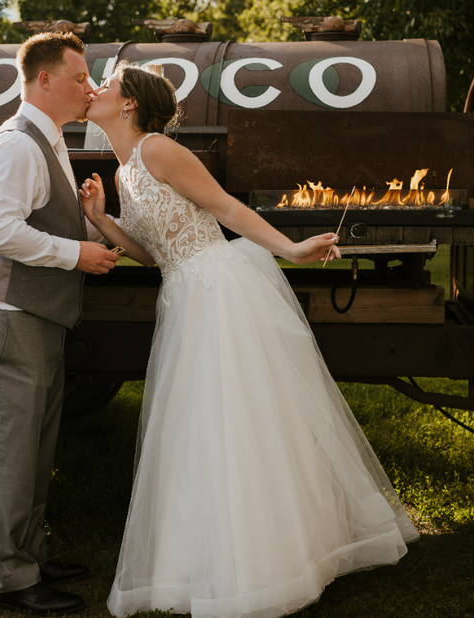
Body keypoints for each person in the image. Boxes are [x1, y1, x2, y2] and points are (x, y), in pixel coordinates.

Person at [79, 62, 420, 618]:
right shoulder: (122, 174)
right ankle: (205, 558)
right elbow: (151, 253)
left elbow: (226, 208)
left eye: (107, 85)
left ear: (129, 104)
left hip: (217, 288)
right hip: (181, 291)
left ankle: (271, 559)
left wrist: (290, 249)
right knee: (196, 427)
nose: (95, 90)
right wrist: (102, 221)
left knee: (239, 420)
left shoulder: (160, 151)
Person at [0, 32, 121, 616]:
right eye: (80, 78)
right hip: (5, 319)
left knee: (32, 448)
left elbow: (37, 217)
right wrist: (77, 253)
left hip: (36, 316)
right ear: (44, 80)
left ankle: (30, 553)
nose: (91, 88)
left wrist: (91, 225)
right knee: (9, 453)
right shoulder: (17, 145)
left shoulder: (48, 140)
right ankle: (10, 579)